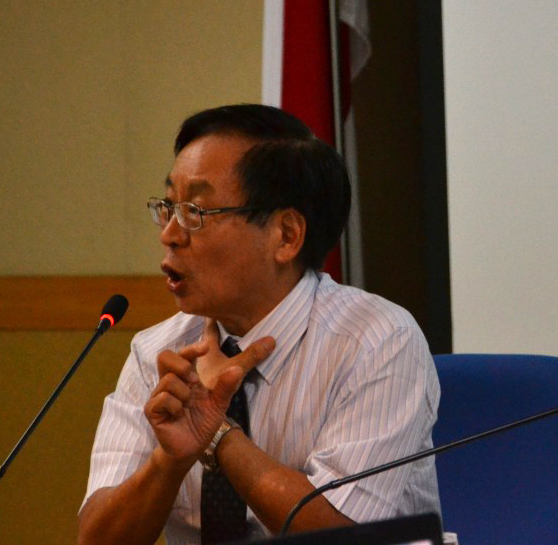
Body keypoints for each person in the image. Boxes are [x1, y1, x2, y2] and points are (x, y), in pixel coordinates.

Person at [78, 104, 440, 544]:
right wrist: (168, 461)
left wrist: (217, 433)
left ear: (285, 236)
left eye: (196, 211)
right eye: (169, 206)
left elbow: (344, 538)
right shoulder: (157, 352)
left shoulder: (377, 341)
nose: (170, 233)